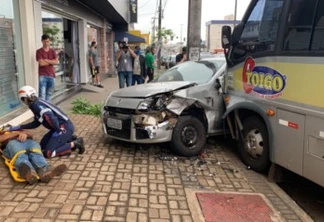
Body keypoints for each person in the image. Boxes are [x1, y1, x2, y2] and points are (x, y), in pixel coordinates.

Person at [8, 85, 85, 158]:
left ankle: (75, 143)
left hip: (63, 127)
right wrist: (20, 126)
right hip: (59, 127)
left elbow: (51, 117)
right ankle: (69, 138)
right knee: (42, 147)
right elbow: (36, 123)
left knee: (48, 153)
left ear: (25, 98)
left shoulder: (37, 105)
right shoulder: (35, 103)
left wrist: (58, 130)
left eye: (23, 99)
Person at [0, 129, 67, 185]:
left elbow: (31, 134)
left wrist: (25, 133)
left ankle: (45, 170)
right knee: (20, 154)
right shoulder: (3, 132)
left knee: (36, 153)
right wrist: (17, 134)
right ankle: (29, 172)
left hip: (29, 141)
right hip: (12, 142)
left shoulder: (18, 128)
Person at [36, 34, 59, 102]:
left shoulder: (52, 51)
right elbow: (41, 63)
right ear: (42, 41)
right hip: (43, 75)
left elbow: (56, 62)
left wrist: (46, 60)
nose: (46, 43)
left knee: (49, 94)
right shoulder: (39, 51)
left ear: (49, 41)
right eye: (44, 41)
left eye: (47, 41)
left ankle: (48, 109)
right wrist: (51, 61)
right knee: (42, 95)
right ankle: (42, 109)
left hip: (51, 75)